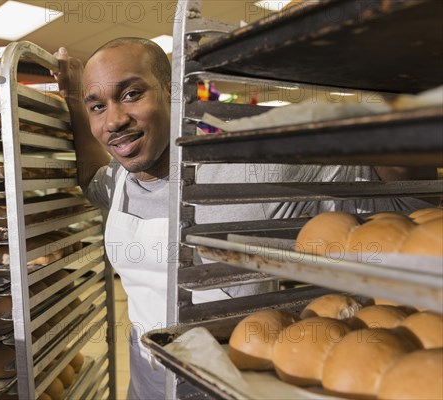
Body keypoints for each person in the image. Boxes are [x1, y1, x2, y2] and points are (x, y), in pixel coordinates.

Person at [54, 37, 436, 399]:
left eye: (132, 94)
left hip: (234, 378)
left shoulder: (252, 166)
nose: (114, 120)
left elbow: (386, 183)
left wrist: (392, 70)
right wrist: (73, 100)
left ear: (172, 91)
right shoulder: (116, 181)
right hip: (147, 381)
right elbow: (89, 171)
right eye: (98, 106)